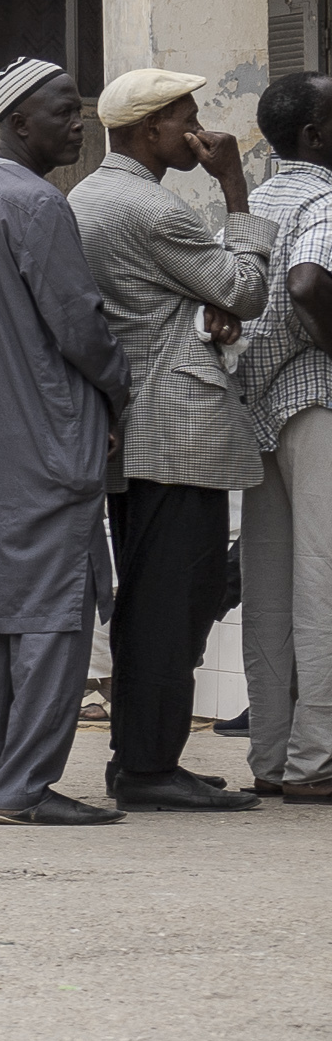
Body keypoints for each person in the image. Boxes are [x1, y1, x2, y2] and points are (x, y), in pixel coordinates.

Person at [72, 65, 273, 812]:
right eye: (187, 117)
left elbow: (198, 294)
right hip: (177, 424)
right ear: (148, 128)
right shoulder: (155, 209)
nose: (200, 131)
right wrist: (234, 187)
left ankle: (142, 757)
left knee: (154, 597)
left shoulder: (92, 195)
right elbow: (246, 288)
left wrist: (204, 302)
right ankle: (151, 766)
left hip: (139, 422)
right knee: (171, 602)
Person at [0, 61, 132, 823]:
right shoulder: (38, 205)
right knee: (55, 615)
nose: (78, 122)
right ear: (20, 121)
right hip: (51, 438)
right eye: (63, 111)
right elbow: (80, 323)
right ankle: (24, 788)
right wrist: (122, 386)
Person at [230, 71, 332, 797]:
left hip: (251, 408)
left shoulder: (253, 200)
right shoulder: (327, 197)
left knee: (266, 590)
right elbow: (306, 283)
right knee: (322, 584)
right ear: (314, 136)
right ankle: (316, 763)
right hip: (314, 397)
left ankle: (271, 758)